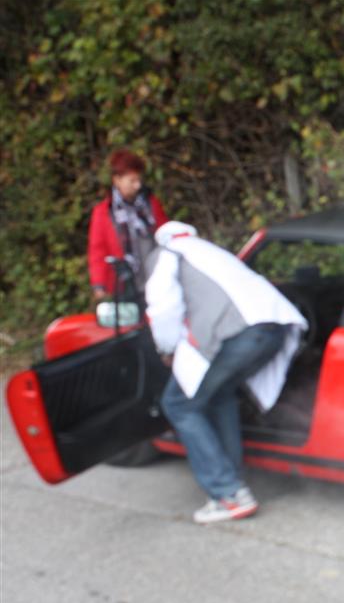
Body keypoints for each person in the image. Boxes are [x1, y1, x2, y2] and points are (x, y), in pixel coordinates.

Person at [145, 221, 307, 524]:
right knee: (220, 395)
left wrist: (165, 349)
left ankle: (228, 493)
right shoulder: (209, 251)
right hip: (274, 328)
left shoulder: (168, 254)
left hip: (236, 336)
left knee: (178, 404)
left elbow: (163, 306)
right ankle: (233, 479)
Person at [88, 149, 169, 301]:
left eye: (139, 180)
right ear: (117, 180)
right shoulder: (104, 212)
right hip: (124, 285)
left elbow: (166, 234)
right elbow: (97, 251)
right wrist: (99, 284)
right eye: (132, 181)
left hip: (158, 280)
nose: (137, 185)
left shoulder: (151, 205)